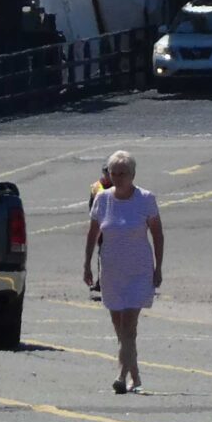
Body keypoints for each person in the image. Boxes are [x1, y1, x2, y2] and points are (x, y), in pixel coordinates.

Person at [81, 149, 163, 394]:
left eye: (122, 173)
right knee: (120, 328)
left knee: (129, 325)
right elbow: (93, 233)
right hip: (112, 271)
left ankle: (120, 375)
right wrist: (87, 264)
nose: (117, 178)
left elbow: (158, 235)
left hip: (139, 271)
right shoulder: (103, 199)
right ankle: (135, 377)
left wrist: (158, 267)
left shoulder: (145, 199)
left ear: (132, 174)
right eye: (113, 173)